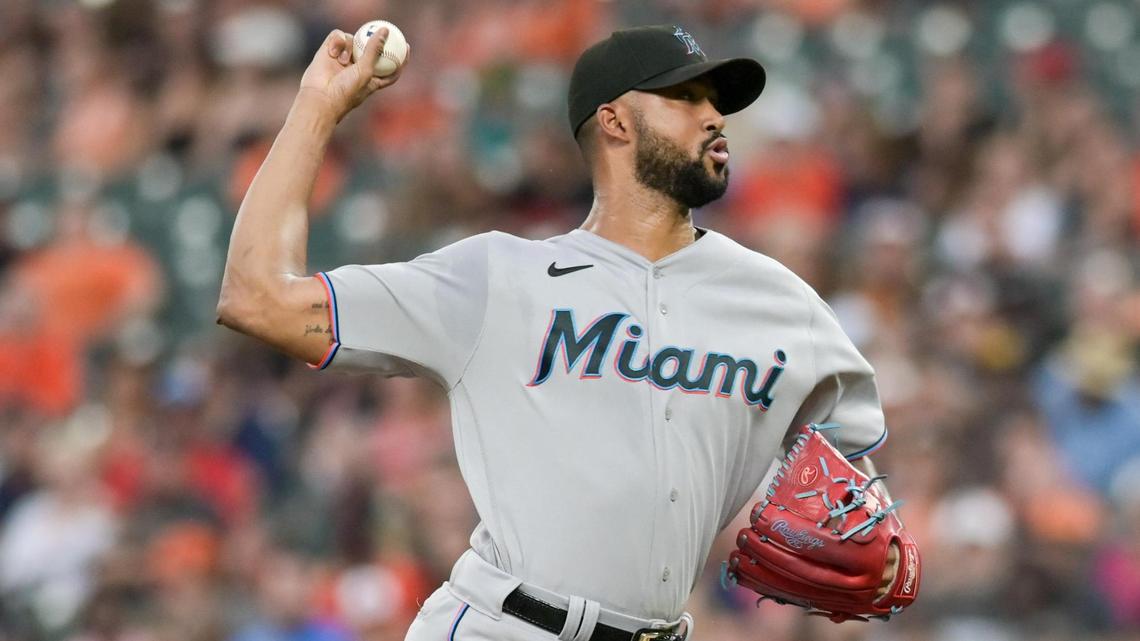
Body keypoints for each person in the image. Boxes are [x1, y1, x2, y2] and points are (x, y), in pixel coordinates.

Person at [218, 24, 900, 641]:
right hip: (504, 625)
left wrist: (873, 539)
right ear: (614, 121)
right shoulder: (497, 278)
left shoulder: (780, 302)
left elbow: (854, 487)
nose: (715, 117)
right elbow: (259, 299)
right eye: (685, 97)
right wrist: (317, 108)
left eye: (715, 101)